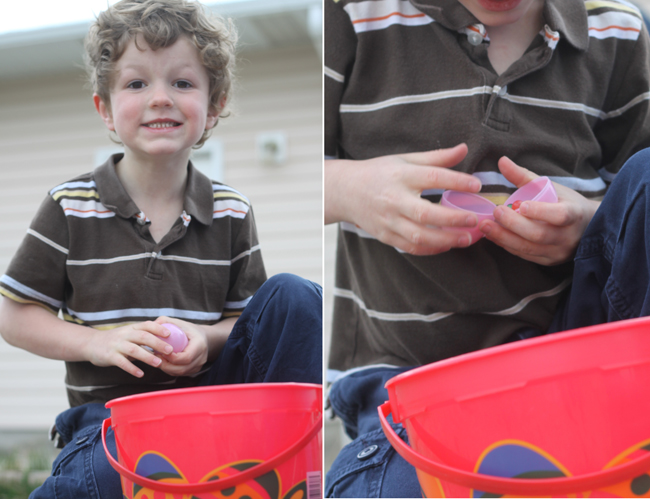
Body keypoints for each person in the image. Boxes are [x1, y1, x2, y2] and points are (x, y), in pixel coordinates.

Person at [324, 0, 650, 496]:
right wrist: (348, 188)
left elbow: (633, 209)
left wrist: (589, 220)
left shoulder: (617, 30)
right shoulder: (353, 15)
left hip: (574, 363)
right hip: (410, 385)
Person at [0, 0, 322, 497]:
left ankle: (288, 464)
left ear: (213, 105)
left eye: (183, 82)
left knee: (296, 296)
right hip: (108, 429)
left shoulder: (232, 210)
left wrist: (205, 340)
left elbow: (246, 326)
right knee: (104, 480)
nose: (160, 99)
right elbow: (13, 316)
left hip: (214, 422)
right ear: (104, 107)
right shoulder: (70, 206)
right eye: (136, 83)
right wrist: (96, 342)